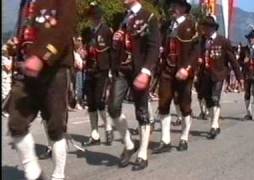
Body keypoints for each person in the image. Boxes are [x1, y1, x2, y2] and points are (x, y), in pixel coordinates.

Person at [5, 0, 77, 179]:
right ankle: (33, 173)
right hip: (28, 70)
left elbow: (64, 29)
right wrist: (16, 45)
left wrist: (43, 56)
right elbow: (29, 32)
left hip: (55, 69)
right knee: (16, 122)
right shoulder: (25, 3)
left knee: (55, 128)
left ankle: (58, 175)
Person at [108, 0, 160, 170]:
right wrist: (115, 42)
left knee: (142, 111)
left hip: (139, 70)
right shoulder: (123, 19)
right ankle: (129, 144)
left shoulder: (149, 17)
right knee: (113, 108)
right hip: (122, 70)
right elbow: (119, 46)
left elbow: (154, 47)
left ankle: (143, 153)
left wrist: (146, 71)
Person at [152, 0, 200, 153]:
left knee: (185, 105)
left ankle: (184, 137)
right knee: (163, 102)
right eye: (172, 5)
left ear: (184, 8)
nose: (172, 8)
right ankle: (165, 140)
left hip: (184, 71)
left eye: (176, 6)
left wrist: (187, 68)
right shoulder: (166, 25)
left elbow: (196, 50)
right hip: (167, 70)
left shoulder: (192, 25)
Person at [197, 15, 243, 139]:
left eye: (206, 27)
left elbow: (233, 60)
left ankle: (214, 124)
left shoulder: (223, 41)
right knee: (208, 101)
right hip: (205, 74)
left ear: (212, 28)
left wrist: (239, 77)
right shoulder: (202, 41)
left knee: (215, 97)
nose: (204, 30)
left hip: (219, 74)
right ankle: (214, 123)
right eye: (204, 27)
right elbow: (197, 54)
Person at [81, 2, 114, 147]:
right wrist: (83, 53)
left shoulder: (107, 31)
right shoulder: (87, 32)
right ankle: (94, 134)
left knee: (100, 101)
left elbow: (112, 52)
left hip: (102, 70)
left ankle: (108, 128)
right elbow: (85, 48)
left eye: (96, 16)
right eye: (92, 16)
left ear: (100, 17)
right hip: (89, 70)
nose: (94, 19)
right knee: (91, 104)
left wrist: (112, 71)